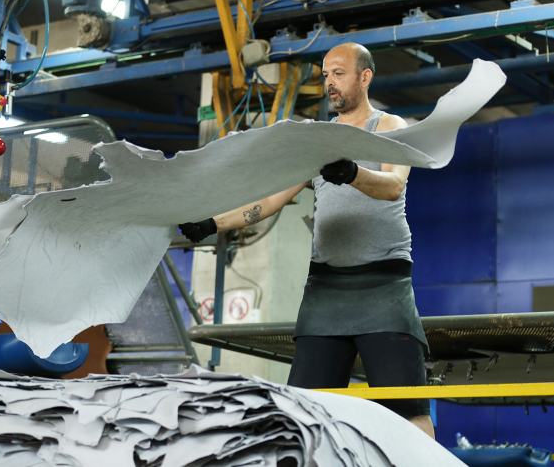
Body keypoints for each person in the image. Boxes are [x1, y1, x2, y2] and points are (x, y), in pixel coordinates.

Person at [179, 42, 435, 439]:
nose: (330, 82)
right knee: (305, 411)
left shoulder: (388, 126)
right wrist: (213, 223)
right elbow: (270, 200)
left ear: (365, 77)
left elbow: (393, 186)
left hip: (384, 286)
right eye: (326, 74)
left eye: (339, 73)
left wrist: (352, 172)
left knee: (408, 411)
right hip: (326, 290)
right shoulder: (318, 140)